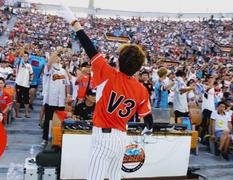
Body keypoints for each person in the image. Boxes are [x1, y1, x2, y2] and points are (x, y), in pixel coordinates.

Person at [60, 5, 152, 180]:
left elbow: (89, 46)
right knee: (114, 177)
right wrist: (148, 130)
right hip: (121, 137)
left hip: (103, 136)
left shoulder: (107, 73)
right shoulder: (142, 90)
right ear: (139, 67)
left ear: (119, 59)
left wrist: (74, 22)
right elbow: (148, 119)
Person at [42, 48, 71, 144]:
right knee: (48, 119)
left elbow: (67, 84)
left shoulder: (63, 71)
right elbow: (50, 62)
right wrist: (57, 51)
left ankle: (58, 139)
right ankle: (45, 138)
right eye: (55, 57)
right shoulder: (49, 69)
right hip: (51, 99)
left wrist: (68, 95)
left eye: (58, 57)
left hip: (61, 100)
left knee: (60, 120)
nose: (57, 58)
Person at [14, 51, 33, 118]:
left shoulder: (29, 65)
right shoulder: (20, 63)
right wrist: (23, 49)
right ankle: (17, 114)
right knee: (18, 99)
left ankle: (26, 113)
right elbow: (19, 56)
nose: (25, 57)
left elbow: (31, 74)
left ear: (28, 58)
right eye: (24, 56)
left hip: (26, 85)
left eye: (26, 56)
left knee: (26, 100)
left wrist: (30, 80)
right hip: (19, 83)